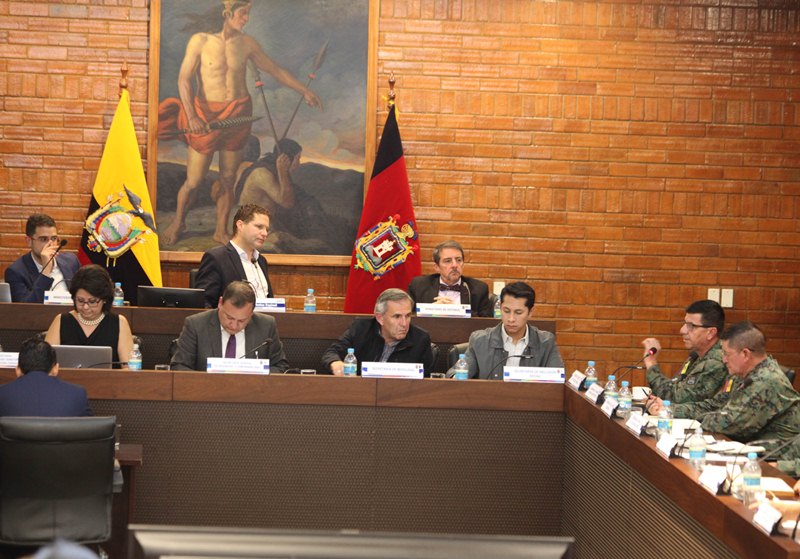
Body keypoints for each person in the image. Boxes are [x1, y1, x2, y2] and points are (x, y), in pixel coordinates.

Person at [158, 0, 322, 246]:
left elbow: (276, 71)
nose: (246, 19)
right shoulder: (200, 41)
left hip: (238, 114)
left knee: (227, 177)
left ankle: (220, 230)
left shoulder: (247, 44)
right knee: (193, 180)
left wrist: (303, 90)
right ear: (228, 13)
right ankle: (178, 222)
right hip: (205, 114)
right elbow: (183, 80)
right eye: (243, 13)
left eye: (248, 14)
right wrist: (192, 116)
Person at [648, 322, 800, 456]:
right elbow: (715, 405)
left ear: (745, 354)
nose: (724, 359)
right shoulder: (743, 374)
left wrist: (698, 418)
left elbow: (729, 424)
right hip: (746, 450)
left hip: (773, 460)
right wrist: (670, 409)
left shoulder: (766, 380)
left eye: (727, 354)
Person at [170, 280, 289, 373]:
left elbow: (280, 366)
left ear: (251, 313)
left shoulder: (266, 325)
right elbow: (179, 366)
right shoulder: (196, 324)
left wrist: (257, 378)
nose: (234, 326)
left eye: (242, 320)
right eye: (229, 318)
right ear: (220, 303)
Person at [452, 281, 563, 380]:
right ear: (500, 307)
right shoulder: (480, 341)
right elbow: (457, 373)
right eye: (506, 311)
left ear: (530, 312)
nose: (511, 319)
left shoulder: (546, 343)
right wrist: (455, 377)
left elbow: (557, 381)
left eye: (518, 313)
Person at [322, 288, 434, 376]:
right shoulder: (361, 329)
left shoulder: (420, 339)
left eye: (408, 316)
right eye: (397, 316)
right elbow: (331, 353)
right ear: (380, 318)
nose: (404, 323)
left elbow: (426, 382)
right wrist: (336, 364)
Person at [44, 265, 134, 369]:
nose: (85, 307)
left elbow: (129, 369)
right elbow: (45, 366)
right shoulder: (61, 321)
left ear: (104, 299)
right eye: (80, 301)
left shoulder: (119, 323)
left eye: (92, 301)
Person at [641, 300, 728, 406]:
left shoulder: (717, 361)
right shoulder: (696, 356)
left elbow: (677, 398)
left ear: (711, 333)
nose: (682, 330)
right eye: (685, 324)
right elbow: (674, 387)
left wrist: (651, 363)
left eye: (691, 326)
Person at [195, 204, 274, 308]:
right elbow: (204, 304)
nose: (265, 233)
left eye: (267, 229)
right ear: (240, 225)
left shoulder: (261, 261)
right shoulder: (217, 258)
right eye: (259, 227)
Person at [0, 336, 92, 416]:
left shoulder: (2, 393)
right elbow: (88, 429)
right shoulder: (77, 394)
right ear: (55, 369)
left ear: (18, 370)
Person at [4, 213, 81, 303]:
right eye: (43, 239)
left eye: (54, 238)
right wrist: (46, 271)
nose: (51, 244)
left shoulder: (71, 261)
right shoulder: (16, 272)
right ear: (29, 241)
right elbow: (25, 308)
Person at [407, 240, 493, 317]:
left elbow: (485, 321)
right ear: (437, 267)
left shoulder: (479, 289)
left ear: (463, 264)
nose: (455, 265)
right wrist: (431, 310)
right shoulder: (419, 286)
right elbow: (408, 316)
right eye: (448, 261)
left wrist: (456, 310)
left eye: (458, 260)